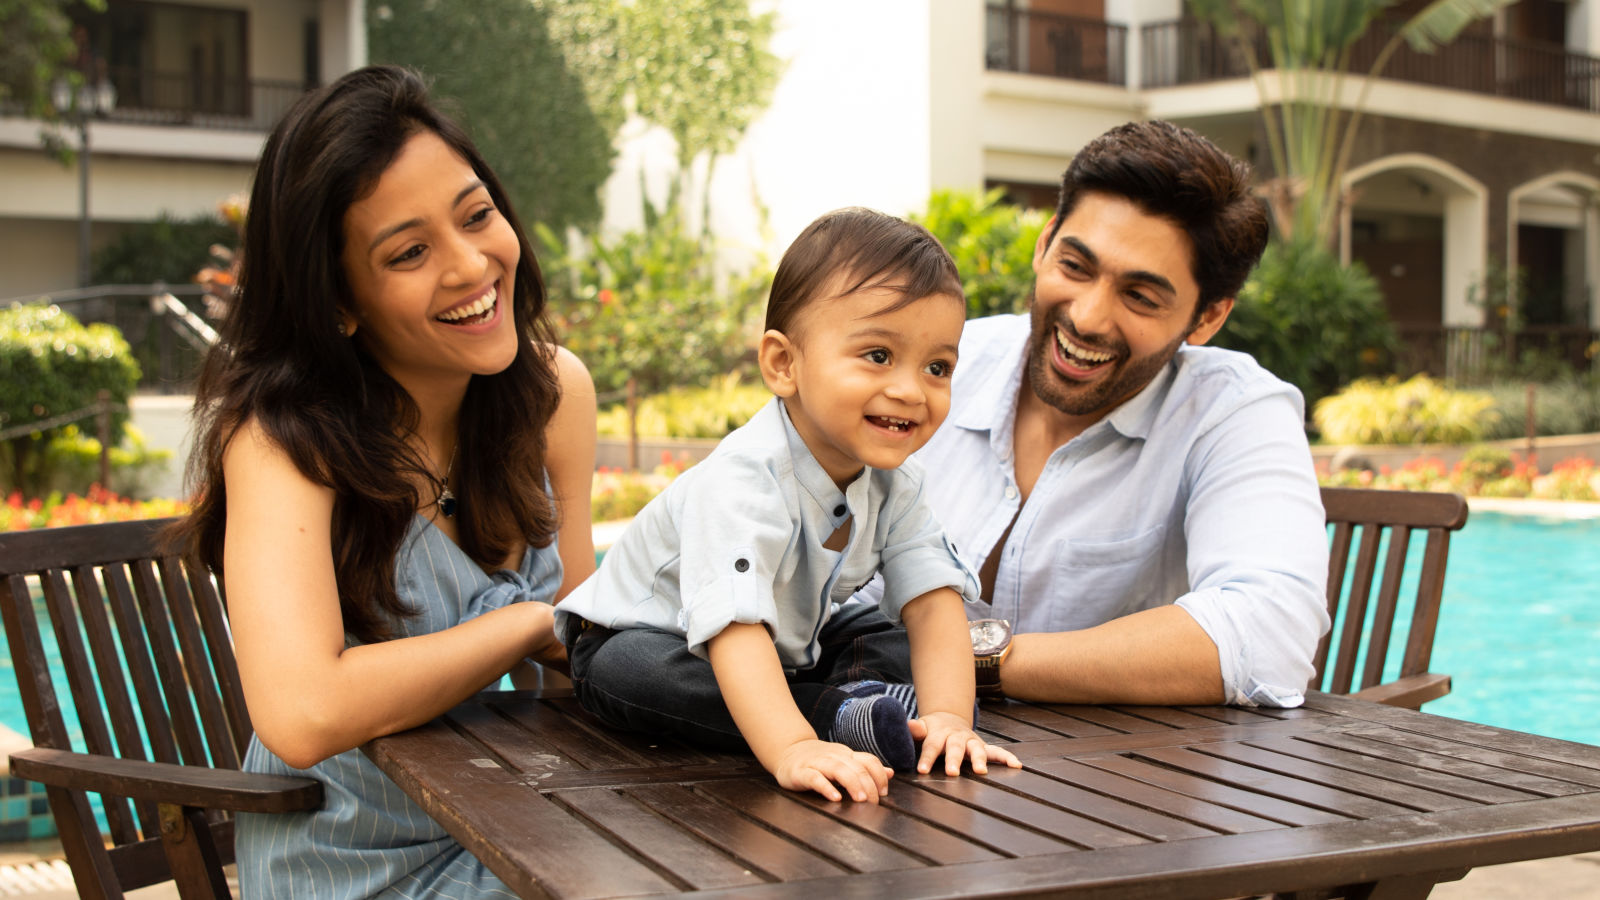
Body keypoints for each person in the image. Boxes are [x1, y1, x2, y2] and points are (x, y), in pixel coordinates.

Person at [175, 66, 597, 899]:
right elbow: (303, 714)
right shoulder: (284, 442)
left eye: (477, 215)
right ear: (338, 301)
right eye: (409, 252)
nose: (473, 264)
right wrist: (526, 622)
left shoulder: (555, 395)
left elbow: (583, 650)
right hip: (345, 866)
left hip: (517, 824)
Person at [556, 208, 1020, 805]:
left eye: (937, 367)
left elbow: (932, 604)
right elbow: (735, 629)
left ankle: (891, 715)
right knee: (636, 672)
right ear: (784, 364)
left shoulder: (897, 482)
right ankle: (832, 718)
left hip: (788, 642)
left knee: (910, 635)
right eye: (878, 355)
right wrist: (793, 746)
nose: (910, 389)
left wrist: (953, 719)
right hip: (655, 638)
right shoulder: (742, 480)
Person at [869, 120, 1330, 709]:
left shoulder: (1233, 411)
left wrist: (966, 660)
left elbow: (1268, 633)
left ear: (1208, 318)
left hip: (1108, 779)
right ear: (1044, 245)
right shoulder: (941, 363)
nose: (1088, 317)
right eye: (1076, 267)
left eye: (1140, 296)